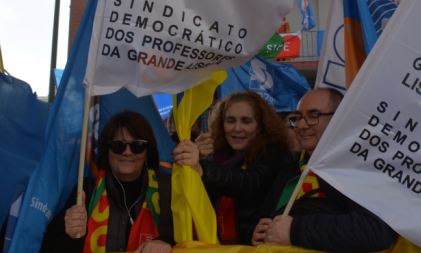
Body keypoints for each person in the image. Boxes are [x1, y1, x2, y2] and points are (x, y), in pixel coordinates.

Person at [247, 88, 397, 252]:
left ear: (339, 119)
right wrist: (256, 232)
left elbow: (375, 231)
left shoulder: (359, 170)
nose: (301, 126)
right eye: (297, 118)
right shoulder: (288, 171)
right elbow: (259, 219)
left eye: (313, 116)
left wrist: (295, 230)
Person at [173, 92, 293, 245]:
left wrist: (202, 169)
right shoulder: (216, 157)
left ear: (261, 126)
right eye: (230, 121)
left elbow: (249, 182)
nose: (237, 128)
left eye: (246, 121)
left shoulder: (276, 153)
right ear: (221, 125)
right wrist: (200, 162)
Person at [45, 111, 173, 253]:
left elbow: (195, 235)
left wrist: (168, 243)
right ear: (107, 151)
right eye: (119, 145)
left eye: (137, 145)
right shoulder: (85, 191)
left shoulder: (168, 188)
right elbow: (50, 248)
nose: (127, 152)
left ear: (147, 152)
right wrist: (72, 238)